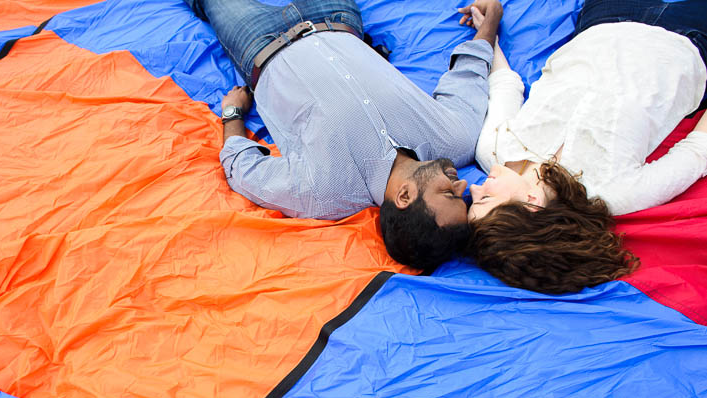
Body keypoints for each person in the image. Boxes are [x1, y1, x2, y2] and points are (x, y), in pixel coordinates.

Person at [183, 0, 504, 271]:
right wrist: (491, 22)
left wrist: (233, 114)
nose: (463, 183)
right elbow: (468, 74)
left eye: (449, 193)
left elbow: (244, 170)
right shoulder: (455, 138)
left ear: (404, 197)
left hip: (258, 42)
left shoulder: (322, 193)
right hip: (337, 20)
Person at [457, 0, 707, 293]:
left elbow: (504, 84)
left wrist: (488, 29)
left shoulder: (493, 149)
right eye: (484, 200)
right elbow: (697, 151)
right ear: (530, 205)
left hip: (604, 19)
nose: (474, 189)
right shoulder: (615, 192)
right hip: (686, 37)